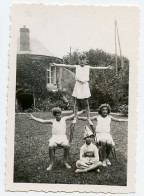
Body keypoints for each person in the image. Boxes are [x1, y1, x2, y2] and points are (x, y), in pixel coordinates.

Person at [51, 54, 112, 124]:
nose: (82, 61)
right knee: (76, 102)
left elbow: (97, 68)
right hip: (78, 85)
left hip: (85, 85)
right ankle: (75, 117)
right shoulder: (76, 66)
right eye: (80, 60)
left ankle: (88, 118)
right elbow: (66, 65)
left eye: (83, 59)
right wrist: (56, 64)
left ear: (86, 60)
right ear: (78, 60)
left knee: (86, 103)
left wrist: (107, 67)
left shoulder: (87, 67)